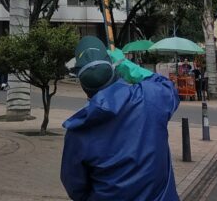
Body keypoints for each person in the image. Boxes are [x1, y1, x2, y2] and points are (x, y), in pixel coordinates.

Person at [61, 37, 179, 201]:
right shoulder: (149, 99)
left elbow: (76, 188)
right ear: (114, 69)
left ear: (83, 85)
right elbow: (166, 86)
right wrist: (127, 66)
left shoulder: (77, 131)